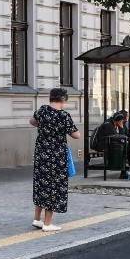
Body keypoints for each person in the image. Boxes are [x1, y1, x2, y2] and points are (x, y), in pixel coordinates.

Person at [29, 87, 80, 232]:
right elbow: (76, 135)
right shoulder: (63, 115)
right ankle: (47, 223)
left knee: (40, 185)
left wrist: (44, 125)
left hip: (41, 154)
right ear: (63, 99)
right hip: (56, 157)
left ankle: (37, 219)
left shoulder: (42, 110)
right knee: (53, 187)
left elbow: (32, 121)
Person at [96, 112, 130, 179]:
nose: (122, 123)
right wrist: (121, 128)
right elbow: (118, 138)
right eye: (121, 122)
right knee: (125, 148)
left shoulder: (118, 124)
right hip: (104, 145)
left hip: (113, 144)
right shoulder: (108, 125)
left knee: (128, 147)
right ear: (119, 121)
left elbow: (127, 133)